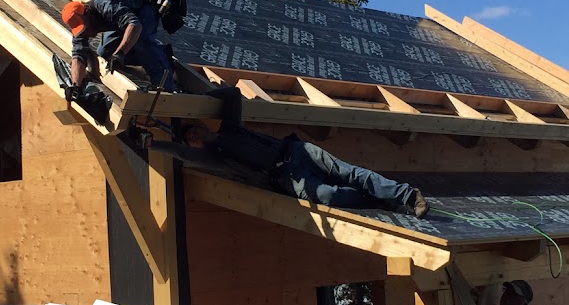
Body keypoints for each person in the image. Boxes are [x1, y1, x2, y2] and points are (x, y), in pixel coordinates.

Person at [132, 86, 430, 218]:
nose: (193, 137)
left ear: (202, 126)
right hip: (288, 178)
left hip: (298, 151)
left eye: (193, 131)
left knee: (348, 172)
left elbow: (233, 94)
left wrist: (197, 98)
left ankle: (408, 195)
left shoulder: (229, 128)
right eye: (190, 140)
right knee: (328, 195)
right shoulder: (215, 156)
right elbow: (183, 154)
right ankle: (379, 199)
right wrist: (155, 145)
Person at [60, 0, 186, 97]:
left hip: (143, 5)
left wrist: (120, 53)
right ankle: (159, 55)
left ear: (88, 13)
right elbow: (78, 56)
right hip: (123, 18)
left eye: (85, 27)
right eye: (82, 30)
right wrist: (75, 86)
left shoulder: (106, 6)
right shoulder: (83, 23)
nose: (86, 32)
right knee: (104, 52)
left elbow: (135, 25)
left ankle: (166, 86)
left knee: (140, 41)